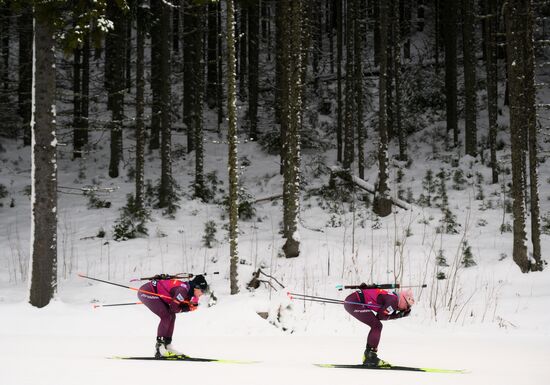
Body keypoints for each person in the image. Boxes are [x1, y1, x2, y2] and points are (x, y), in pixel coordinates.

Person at [138, 274, 208, 358]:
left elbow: (178, 306)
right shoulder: (183, 290)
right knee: (166, 316)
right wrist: (188, 308)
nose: (203, 294)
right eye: (202, 291)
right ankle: (159, 348)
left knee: (172, 316)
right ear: (196, 288)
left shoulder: (189, 291)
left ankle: (167, 345)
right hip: (146, 292)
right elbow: (174, 308)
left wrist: (189, 306)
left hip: (156, 293)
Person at [344, 285, 415, 366]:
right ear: (404, 300)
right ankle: (370, 357)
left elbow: (380, 314)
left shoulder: (393, 297)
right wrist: (398, 316)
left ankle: (368, 356)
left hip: (355, 300)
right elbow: (381, 316)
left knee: (377, 325)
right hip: (354, 302)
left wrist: (397, 315)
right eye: (407, 306)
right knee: (377, 326)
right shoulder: (393, 301)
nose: (406, 309)